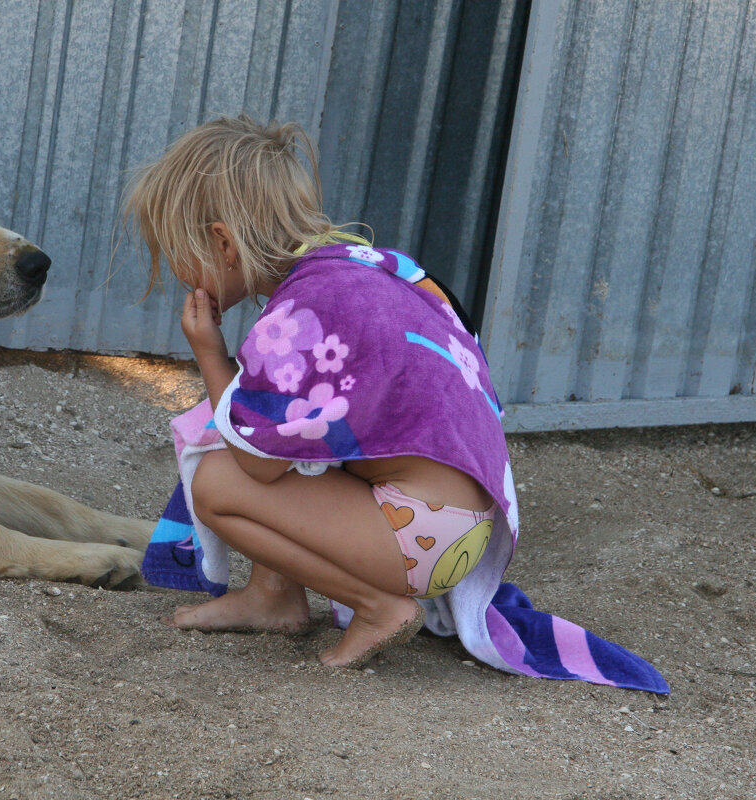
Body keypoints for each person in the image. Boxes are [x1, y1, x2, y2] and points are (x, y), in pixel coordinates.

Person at [124, 115, 514, 669]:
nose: (180, 275)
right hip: (456, 528)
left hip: (420, 537)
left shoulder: (305, 311)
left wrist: (211, 354)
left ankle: (378, 606)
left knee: (216, 481)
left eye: (178, 255)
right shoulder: (362, 269)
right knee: (298, 436)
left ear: (222, 242)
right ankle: (273, 595)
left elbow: (256, 464)